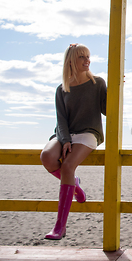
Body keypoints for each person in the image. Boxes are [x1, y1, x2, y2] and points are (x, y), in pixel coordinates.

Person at [40, 43, 107, 240]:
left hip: (88, 133)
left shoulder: (98, 83)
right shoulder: (62, 89)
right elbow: (60, 119)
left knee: (68, 166)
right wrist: (65, 139)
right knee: (46, 156)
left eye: (88, 56)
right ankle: (75, 187)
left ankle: (60, 226)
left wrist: (118, 90)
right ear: (71, 61)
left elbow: (107, 110)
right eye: (82, 57)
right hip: (65, 133)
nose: (87, 60)